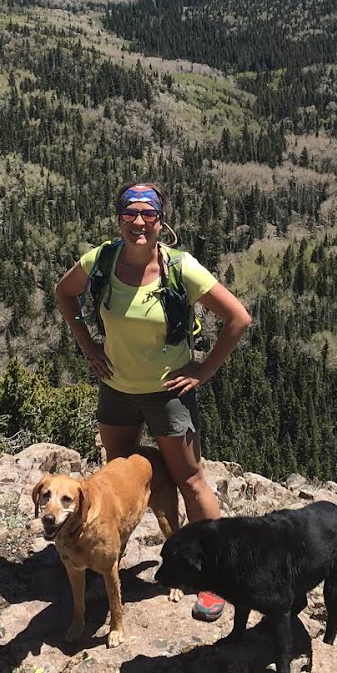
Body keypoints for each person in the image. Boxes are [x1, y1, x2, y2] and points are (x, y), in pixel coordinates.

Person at [54, 181, 252, 622]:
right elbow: (64, 294)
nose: (139, 223)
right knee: (116, 481)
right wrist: (87, 344)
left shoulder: (181, 268)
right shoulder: (101, 260)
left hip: (168, 395)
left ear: (162, 220)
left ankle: (212, 574)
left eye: (148, 214)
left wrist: (203, 370)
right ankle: (106, 559)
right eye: (130, 214)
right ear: (119, 218)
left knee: (190, 481)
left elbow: (238, 319)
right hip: (117, 389)